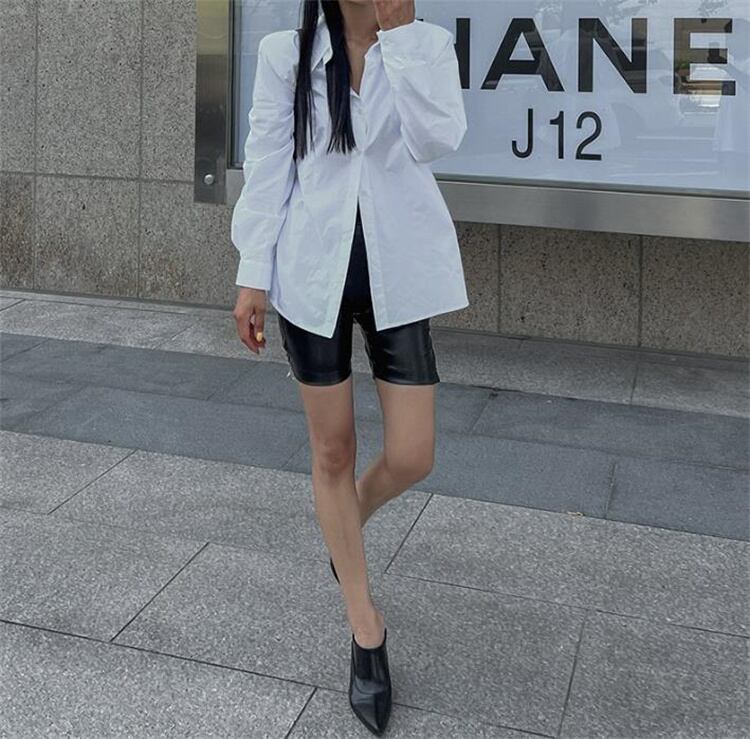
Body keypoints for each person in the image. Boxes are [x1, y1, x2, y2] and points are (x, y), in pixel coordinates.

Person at [231, 0, 469, 733]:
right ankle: (366, 629)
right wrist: (252, 273)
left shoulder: (424, 44)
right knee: (332, 451)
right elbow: (269, 164)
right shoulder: (286, 55)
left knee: (414, 454)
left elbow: (438, 138)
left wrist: (403, 37)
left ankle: (346, 526)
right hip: (312, 276)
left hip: (400, 272)